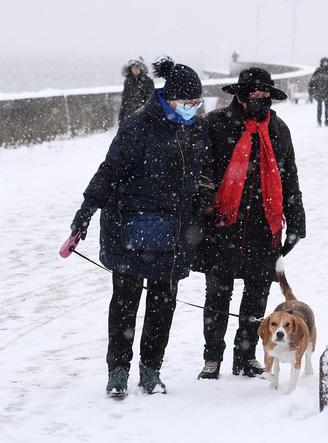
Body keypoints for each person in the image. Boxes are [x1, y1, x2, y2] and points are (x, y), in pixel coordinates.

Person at [70, 57, 210, 396]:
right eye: (187, 102)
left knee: (163, 305)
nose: (192, 109)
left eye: (196, 103)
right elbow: (109, 171)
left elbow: (202, 176)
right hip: (130, 228)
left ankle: (151, 370)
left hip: (173, 231)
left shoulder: (195, 130)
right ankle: (118, 371)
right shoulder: (137, 126)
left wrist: (203, 200)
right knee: (125, 303)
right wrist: (85, 212)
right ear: (169, 97)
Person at [193, 67, 306, 380]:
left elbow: (289, 178)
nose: (258, 96)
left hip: (262, 226)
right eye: (252, 91)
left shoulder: (279, 130)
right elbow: (202, 168)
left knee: (257, 295)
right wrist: (202, 200)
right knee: (217, 293)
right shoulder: (215, 124)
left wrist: (296, 219)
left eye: (263, 92)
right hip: (222, 224)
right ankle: (212, 356)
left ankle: (246, 356)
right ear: (239, 94)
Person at [118, 58, 155, 123]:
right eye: (133, 67)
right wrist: (121, 118)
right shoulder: (128, 81)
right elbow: (124, 100)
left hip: (144, 113)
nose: (135, 69)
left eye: (137, 67)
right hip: (130, 113)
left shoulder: (148, 81)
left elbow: (151, 99)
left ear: (141, 68)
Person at [308, 57, 328, 127]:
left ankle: (327, 122)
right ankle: (319, 121)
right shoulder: (318, 70)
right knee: (319, 108)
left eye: (326, 62)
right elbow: (312, 81)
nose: (325, 63)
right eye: (324, 62)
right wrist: (312, 91)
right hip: (319, 93)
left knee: (327, 108)